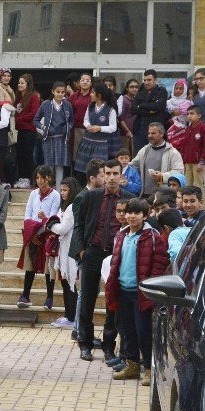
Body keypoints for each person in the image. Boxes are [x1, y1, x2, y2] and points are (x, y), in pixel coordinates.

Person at [72, 160, 135, 362]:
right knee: (87, 300)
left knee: (112, 303)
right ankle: (85, 343)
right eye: (107, 173)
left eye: (115, 173)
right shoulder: (91, 196)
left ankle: (109, 345)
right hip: (93, 252)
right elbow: (79, 225)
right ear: (103, 175)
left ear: (121, 174)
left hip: (117, 256)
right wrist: (82, 250)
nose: (111, 177)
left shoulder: (129, 199)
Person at [103, 197, 168, 383]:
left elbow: (159, 265)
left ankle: (148, 369)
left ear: (145, 215)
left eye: (136, 213)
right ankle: (131, 365)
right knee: (127, 331)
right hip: (123, 291)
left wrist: (151, 289)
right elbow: (116, 263)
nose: (131, 216)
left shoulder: (153, 237)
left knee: (144, 332)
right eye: (129, 212)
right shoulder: (121, 235)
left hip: (142, 293)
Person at [17, 166, 60, 309]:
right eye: (37, 178)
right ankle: (25, 295)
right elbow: (27, 214)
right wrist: (32, 233)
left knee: (48, 268)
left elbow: (53, 217)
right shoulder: (33, 194)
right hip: (32, 234)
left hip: (48, 235)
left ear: (49, 177)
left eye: (42, 177)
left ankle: (49, 298)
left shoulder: (55, 195)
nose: (39, 181)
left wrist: (44, 221)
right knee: (30, 266)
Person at [48, 177, 82, 330]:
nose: (62, 193)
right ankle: (69, 315)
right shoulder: (64, 206)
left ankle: (72, 317)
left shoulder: (72, 207)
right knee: (65, 281)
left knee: (70, 283)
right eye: (61, 190)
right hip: (63, 249)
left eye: (65, 190)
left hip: (70, 249)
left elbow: (62, 228)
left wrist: (51, 226)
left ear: (72, 190)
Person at [33, 81, 74, 189]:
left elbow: (71, 121)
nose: (60, 94)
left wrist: (67, 127)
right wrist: (44, 127)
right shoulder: (46, 104)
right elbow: (36, 120)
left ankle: (60, 190)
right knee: (49, 166)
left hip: (62, 138)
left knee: (60, 166)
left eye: (62, 92)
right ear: (53, 91)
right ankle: (49, 188)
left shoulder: (67, 105)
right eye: (58, 92)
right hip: (48, 139)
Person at [74, 82, 119, 178]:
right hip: (87, 142)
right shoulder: (90, 106)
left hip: (100, 144)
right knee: (82, 171)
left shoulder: (111, 109)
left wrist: (100, 128)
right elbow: (85, 120)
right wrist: (88, 126)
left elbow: (113, 127)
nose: (90, 94)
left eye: (92, 92)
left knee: (98, 171)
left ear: (99, 95)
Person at [131, 123, 186, 197]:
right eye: (149, 133)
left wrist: (162, 176)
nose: (150, 136)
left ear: (161, 134)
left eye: (153, 133)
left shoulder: (173, 152)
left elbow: (179, 172)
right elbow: (133, 166)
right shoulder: (144, 150)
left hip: (163, 196)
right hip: (144, 195)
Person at [13, 74, 41, 187]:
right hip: (19, 130)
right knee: (20, 155)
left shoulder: (34, 96)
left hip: (29, 131)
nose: (20, 85)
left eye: (22, 83)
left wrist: (17, 119)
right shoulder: (19, 97)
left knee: (28, 155)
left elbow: (34, 114)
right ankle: (21, 178)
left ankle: (29, 178)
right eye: (19, 83)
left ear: (28, 84)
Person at [67, 72, 95, 182]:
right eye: (83, 80)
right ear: (79, 82)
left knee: (88, 158)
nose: (85, 82)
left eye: (87, 80)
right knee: (75, 156)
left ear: (91, 83)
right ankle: (76, 181)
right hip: (76, 130)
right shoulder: (74, 96)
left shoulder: (93, 95)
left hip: (90, 130)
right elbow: (68, 112)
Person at [132, 69, 168, 151]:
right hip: (140, 129)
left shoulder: (161, 92)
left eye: (149, 80)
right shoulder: (140, 93)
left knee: (155, 155)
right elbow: (133, 109)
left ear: (155, 80)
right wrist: (149, 111)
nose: (146, 82)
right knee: (140, 156)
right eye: (145, 80)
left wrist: (141, 105)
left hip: (155, 129)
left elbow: (158, 106)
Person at [181, 105, 205, 188]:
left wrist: (202, 162)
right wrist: (184, 160)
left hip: (198, 162)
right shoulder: (188, 128)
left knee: (198, 185)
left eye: (192, 114)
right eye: (188, 114)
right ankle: (188, 201)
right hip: (188, 162)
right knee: (187, 185)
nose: (189, 116)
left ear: (199, 115)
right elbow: (185, 146)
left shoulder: (204, 128)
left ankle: (201, 201)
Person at [118, 79, 139, 156]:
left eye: (136, 87)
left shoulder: (135, 100)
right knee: (124, 156)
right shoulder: (124, 100)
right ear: (127, 88)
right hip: (125, 134)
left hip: (133, 133)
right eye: (132, 87)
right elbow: (120, 118)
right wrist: (127, 131)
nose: (134, 89)